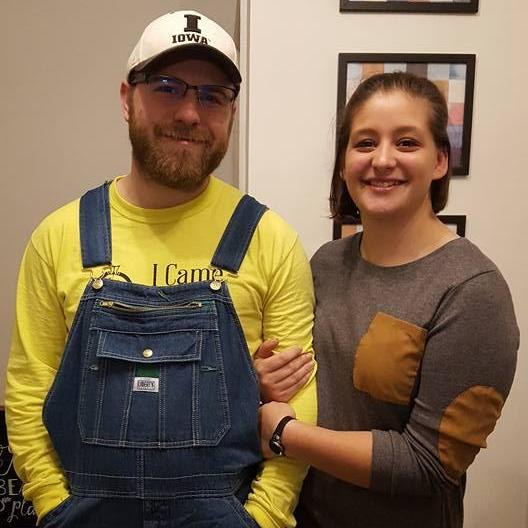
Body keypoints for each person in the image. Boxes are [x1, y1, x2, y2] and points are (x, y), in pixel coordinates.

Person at [5, 10, 316, 528]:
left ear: (231, 113)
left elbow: (298, 402)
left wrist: (262, 518)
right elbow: (27, 391)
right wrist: (52, 505)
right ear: (127, 98)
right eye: (169, 88)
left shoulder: (268, 240)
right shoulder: (60, 237)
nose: (191, 113)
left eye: (212, 96)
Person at [257, 72, 519, 527]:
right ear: (343, 163)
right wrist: (264, 380)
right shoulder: (326, 263)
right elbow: (307, 380)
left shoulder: (472, 290)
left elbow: (430, 463)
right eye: (364, 143)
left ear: (440, 161)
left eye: (406, 142)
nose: (382, 160)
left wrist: (285, 433)